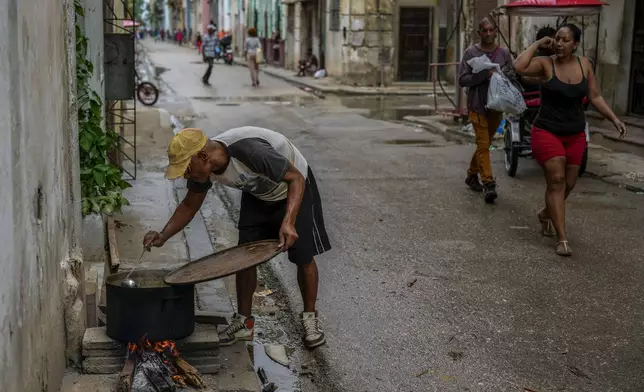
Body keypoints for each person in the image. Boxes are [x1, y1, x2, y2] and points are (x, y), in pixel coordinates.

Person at [143, 127, 330, 349]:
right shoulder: (204, 169)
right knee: (244, 256)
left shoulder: (249, 151)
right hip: (258, 193)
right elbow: (189, 205)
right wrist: (163, 236)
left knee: (303, 255)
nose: (185, 175)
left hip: (294, 189)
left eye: (186, 168)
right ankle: (244, 323)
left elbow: (296, 178)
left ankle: (310, 318)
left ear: (203, 156)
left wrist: (288, 221)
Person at [514, 23, 627, 256]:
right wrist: (537, 44)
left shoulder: (585, 65)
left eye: (565, 40)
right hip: (547, 131)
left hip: (575, 134)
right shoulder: (546, 64)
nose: (559, 43)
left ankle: (546, 213)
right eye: (557, 39)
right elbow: (519, 66)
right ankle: (562, 238)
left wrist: (614, 119)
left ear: (575, 44)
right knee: (556, 180)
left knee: (570, 183)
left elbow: (594, 96)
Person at [459, 17, 512, 203]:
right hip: (477, 105)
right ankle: (488, 184)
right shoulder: (470, 52)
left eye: (491, 30)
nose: (488, 34)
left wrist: (501, 76)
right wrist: (482, 75)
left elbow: (511, 75)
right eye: (484, 31)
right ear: (479, 33)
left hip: (496, 107)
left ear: (496, 30)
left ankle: (472, 175)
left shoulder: (504, 53)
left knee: (485, 143)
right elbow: (462, 80)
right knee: (483, 145)